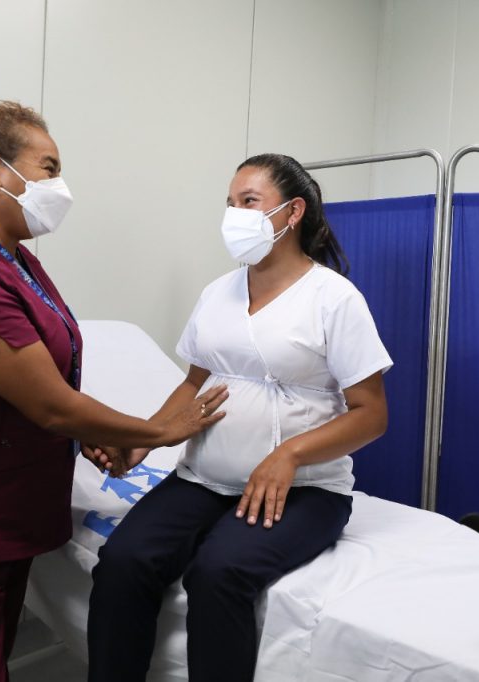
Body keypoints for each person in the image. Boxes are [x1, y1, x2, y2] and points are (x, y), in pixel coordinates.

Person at [0, 101, 228, 682]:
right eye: (48, 168)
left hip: (3, 519)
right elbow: (48, 403)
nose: (59, 187)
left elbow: (39, 386)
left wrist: (88, 435)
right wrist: (161, 431)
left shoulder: (12, 260)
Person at [86, 153, 392, 681]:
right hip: (202, 480)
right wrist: (143, 443)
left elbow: (372, 415)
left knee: (219, 572)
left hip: (304, 490)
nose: (235, 215)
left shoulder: (334, 299)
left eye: (249, 201)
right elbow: (193, 384)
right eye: (230, 203)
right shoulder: (218, 293)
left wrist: (289, 455)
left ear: (292, 212)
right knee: (121, 562)